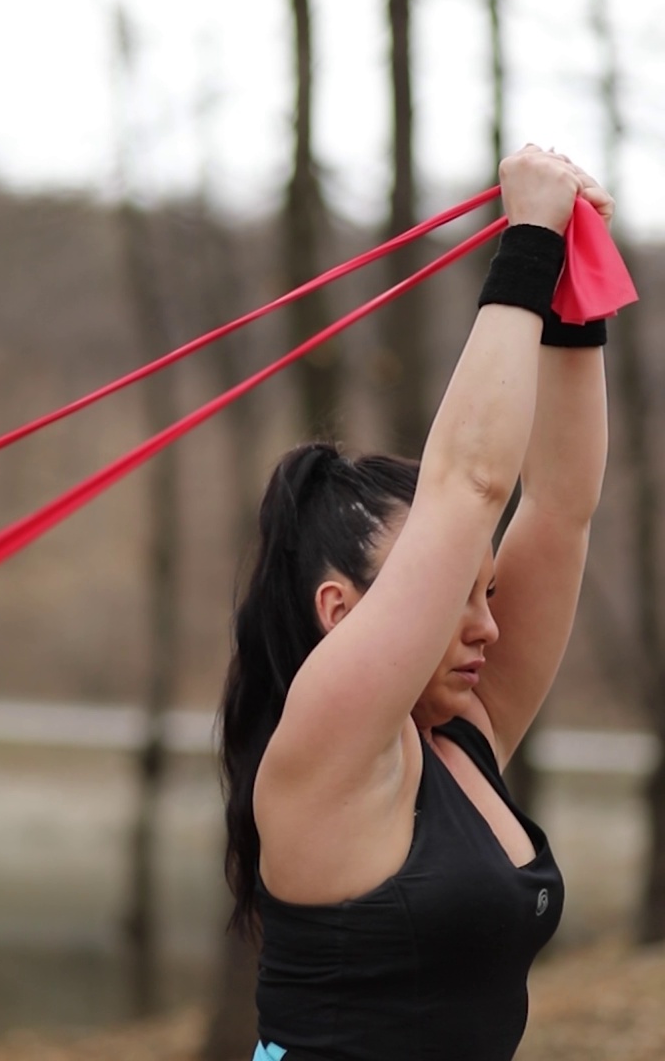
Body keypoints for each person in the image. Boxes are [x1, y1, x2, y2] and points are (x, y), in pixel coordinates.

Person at [219, 145, 611, 1061]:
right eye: (448, 595)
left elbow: (558, 509)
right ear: (340, 611)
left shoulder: (464, 735)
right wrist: (524, 241)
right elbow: (471, 484)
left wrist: (571, 288)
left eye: (483, 590)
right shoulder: (325, 743)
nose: (487, 624)